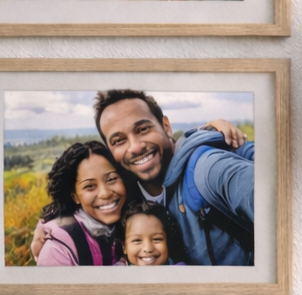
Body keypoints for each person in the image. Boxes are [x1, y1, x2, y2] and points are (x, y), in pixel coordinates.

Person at [93, 89, 256, 266]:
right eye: (118, 140)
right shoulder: (122, 197)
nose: (135, 147)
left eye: (143, 129)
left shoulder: (206, 169)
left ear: (166, 126)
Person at [34, 141, 131, 266]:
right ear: (75, 196)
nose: (105, 193)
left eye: (111, 179)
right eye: (89, 186)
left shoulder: (135, 222)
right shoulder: (58, 251)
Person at [118, 202, 186, 266]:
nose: (148, 249)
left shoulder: (180, 273)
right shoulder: (115, 274)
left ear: (167, 242)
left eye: (157, 239)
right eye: (137, 240)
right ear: (124, 247)